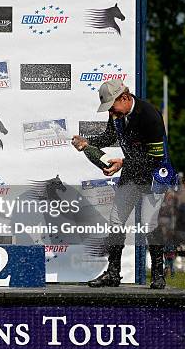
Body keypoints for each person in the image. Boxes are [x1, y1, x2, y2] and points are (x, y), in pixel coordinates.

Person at [72, 79, 169, 289]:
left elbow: (155, 156)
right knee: (116, 220)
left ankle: (159, 275)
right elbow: (109, 136)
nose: (112, 113)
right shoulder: (116, 113)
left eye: (112, 107)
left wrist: (123, 163)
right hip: (132, 172)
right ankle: (113, 273)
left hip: (154, 174)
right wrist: (88, 143)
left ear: (124, 98)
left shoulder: (150, 115)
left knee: (148, 224)